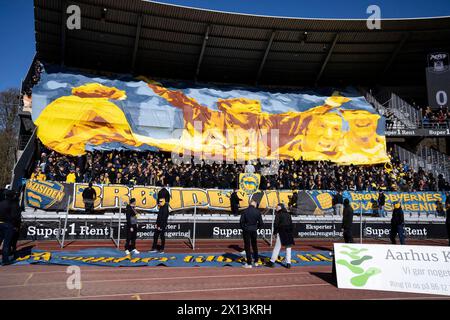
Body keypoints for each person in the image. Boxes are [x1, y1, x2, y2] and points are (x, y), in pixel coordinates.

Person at [267, 204, 295, 269]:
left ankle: (272, 262)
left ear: (280, 207)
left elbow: (276, 224)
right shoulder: (288, 214)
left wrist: (274, 233)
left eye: (277, 207)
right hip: (288, 232)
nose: (276, 208)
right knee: (288, 248)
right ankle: (288, 263)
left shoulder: (278, 214)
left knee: (277, 247)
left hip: (281, 232)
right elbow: (291, 224)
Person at [240, 200, 264, 268]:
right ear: (253, 204)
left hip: (246, 230)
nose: (256, 205)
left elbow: (241, 222)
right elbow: (261, 223)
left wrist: (244, 228)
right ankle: (256, 261)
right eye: (256, 203)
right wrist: (256, 228)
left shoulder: (245, 211)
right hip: (254, 230)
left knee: (247, 246)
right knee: (254, 246)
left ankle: (249, 263)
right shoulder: (257, 211)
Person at [0, 190, 21, 265]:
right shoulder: (12, 204)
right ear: (12, 196)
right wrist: (15, 225)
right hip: (8, 225)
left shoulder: (1, 203)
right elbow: (15, 217)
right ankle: (5, 260)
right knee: (6, 243)